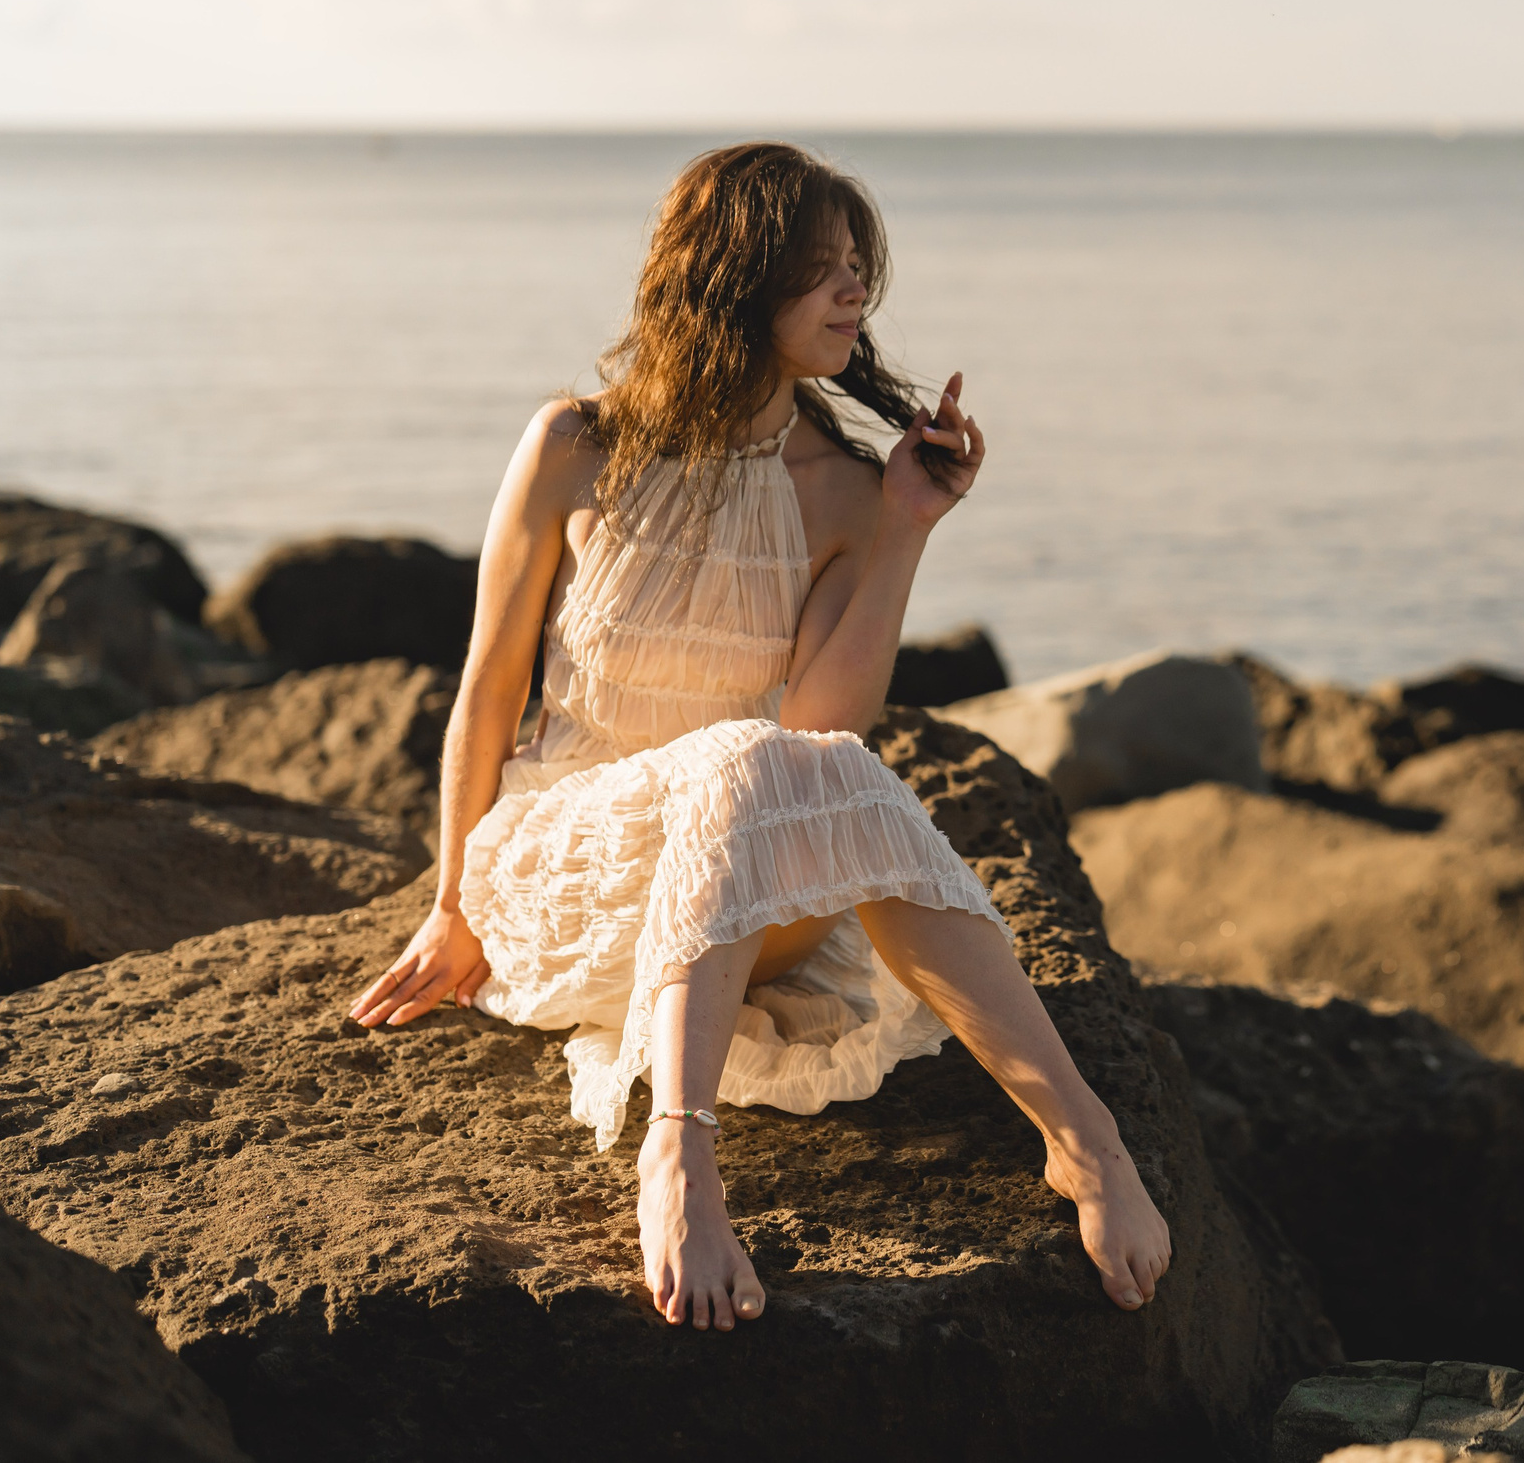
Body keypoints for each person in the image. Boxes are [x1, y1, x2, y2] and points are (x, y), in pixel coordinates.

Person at [346, 141, 1170, 1332]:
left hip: (743, 880)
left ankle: (1086, 1143)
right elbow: (485, 687)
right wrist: (451, 896)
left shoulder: (841, 485)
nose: (856, 296)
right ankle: (678, 1158)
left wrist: (905, 530)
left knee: (800, 764)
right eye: (822, 270)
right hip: (569, 864)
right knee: (758, 760)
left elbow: (820, 737)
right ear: (733, 279)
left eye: (857, 270)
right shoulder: (576, 447)